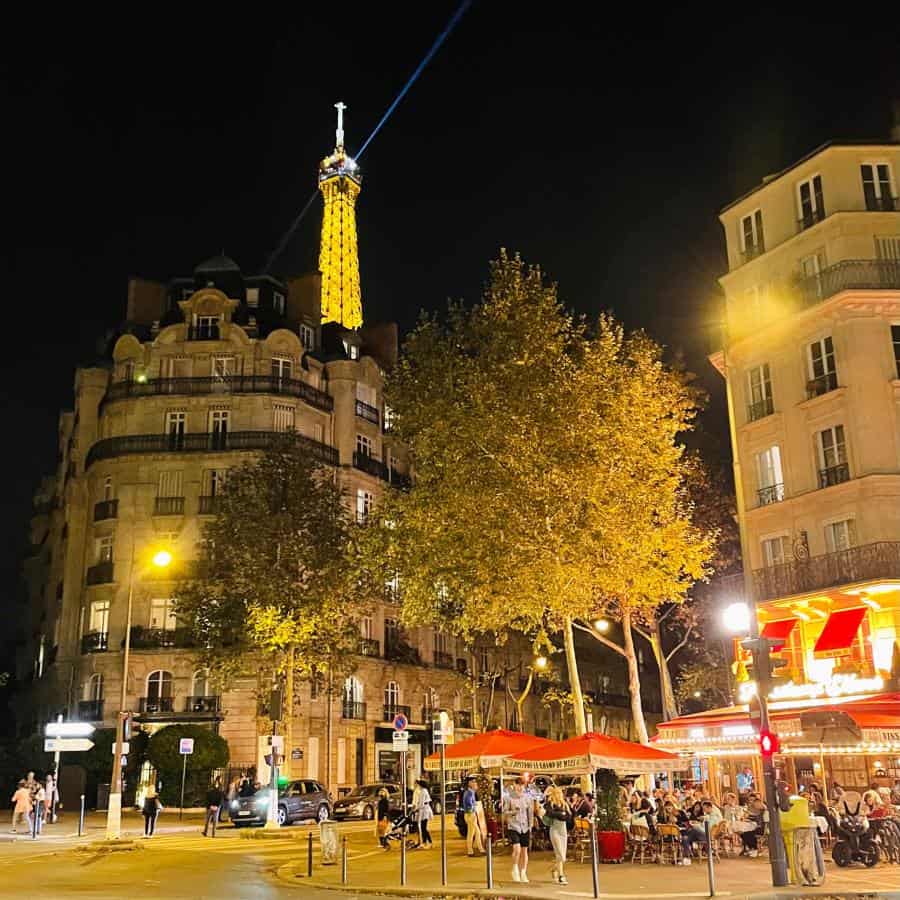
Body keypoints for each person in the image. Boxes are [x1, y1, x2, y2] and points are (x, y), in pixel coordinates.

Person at [503, 777, 533, 884]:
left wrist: (531, 826)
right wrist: (513, 812)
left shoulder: (528, 798)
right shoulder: (509, 798)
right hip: (513, 826)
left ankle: (523, 872)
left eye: (522, 785)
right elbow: (505, 812)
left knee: (524, 851)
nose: (520, 787)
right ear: (514, 785)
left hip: (525, 826)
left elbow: (530, 813)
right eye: (518, 785)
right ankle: (515, 868)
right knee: (517, 849)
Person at [544, 785, 570, 885]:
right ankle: (561, 875)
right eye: (557, 793)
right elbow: (551, 814)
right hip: (555, 830)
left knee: (561, 855)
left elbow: (568, 816)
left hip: (563, 831)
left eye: (560, 793)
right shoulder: (550, 804)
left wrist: (560, 815)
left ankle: (554, 869)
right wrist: (561, 814)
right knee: (561, 855)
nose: (559, 795)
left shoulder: (564, 804)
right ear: (554, 794)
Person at [461, 776, 483, 856]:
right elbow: (469, 804)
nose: (475, 783)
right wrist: (475, 806)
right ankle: (470, 851)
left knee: (477, 832)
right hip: (470, 815)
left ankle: (480, 849)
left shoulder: (471, 792)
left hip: (471, 814)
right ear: (469, 783)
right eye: (473, 782)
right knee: (471, 833)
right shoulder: (469, 792)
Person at [411, 779, 433, 848]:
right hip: (424, 810)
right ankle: (425, 842)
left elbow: (421, 803)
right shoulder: (424, 791)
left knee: (424, 828)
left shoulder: (423, 791)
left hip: (424, 811)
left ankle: (428, 842)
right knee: (423, 827)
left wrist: (416, 809)